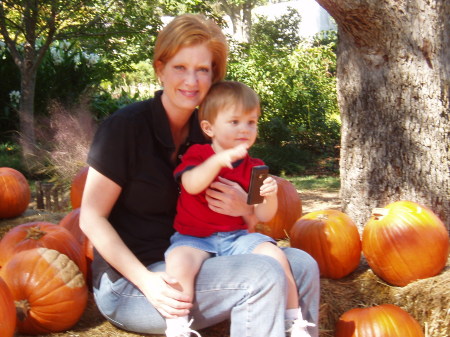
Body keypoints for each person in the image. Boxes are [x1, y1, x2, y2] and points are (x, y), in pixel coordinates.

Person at [80, 13, 320, 337]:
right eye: (180, 67)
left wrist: (244, 208)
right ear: (160, 68)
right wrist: (147, 282)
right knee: (262, 274)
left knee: (302, 265)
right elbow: (90, 218)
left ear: (214, 77)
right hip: (137, 283)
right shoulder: (125, 128)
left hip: (206, 258)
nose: (191, 81)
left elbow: (252, 218)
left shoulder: (210, 133)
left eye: (202, 70)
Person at [165, 80, 315, 337]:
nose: (245, 128)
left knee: (277, 258)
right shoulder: (198, 155)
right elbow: (190, 184)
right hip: (194, 238)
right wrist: (216, 162)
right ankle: (178, 325)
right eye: (234, 122)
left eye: (252, 122)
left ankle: (293, 321)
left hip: (237, 238)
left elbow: (263, 216)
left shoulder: (255, 166)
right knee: (178, 263)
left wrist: (270, 196)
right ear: (208, 128)